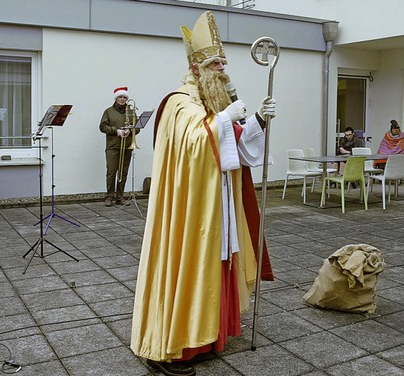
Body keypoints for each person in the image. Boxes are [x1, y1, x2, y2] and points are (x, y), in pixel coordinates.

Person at [130, 11, 275, 376]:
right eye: (217, 67)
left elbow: (236, 151)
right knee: (187, 267)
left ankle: (204, 338)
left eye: (224, 66)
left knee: (211, 267)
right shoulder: (180, 103)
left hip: (217, 205)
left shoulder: (211, 105)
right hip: (189, 210)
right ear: (198, 70)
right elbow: (193, 146)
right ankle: (167, 348)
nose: (224, 74)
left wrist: (256, 119)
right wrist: (225, 118)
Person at [99, 86, 140, 207]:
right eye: (120, 97)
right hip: (113, 145)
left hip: (127, 145)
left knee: (124, 172)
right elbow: (102, 127)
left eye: (124, 97)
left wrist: (130, 131)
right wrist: (116, 131)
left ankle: (120, 196)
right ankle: (109, 196)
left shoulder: (131, 111)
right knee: (111, 171)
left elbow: (137, 128)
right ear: (116, 98)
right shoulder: (108, 111)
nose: (122, 99)